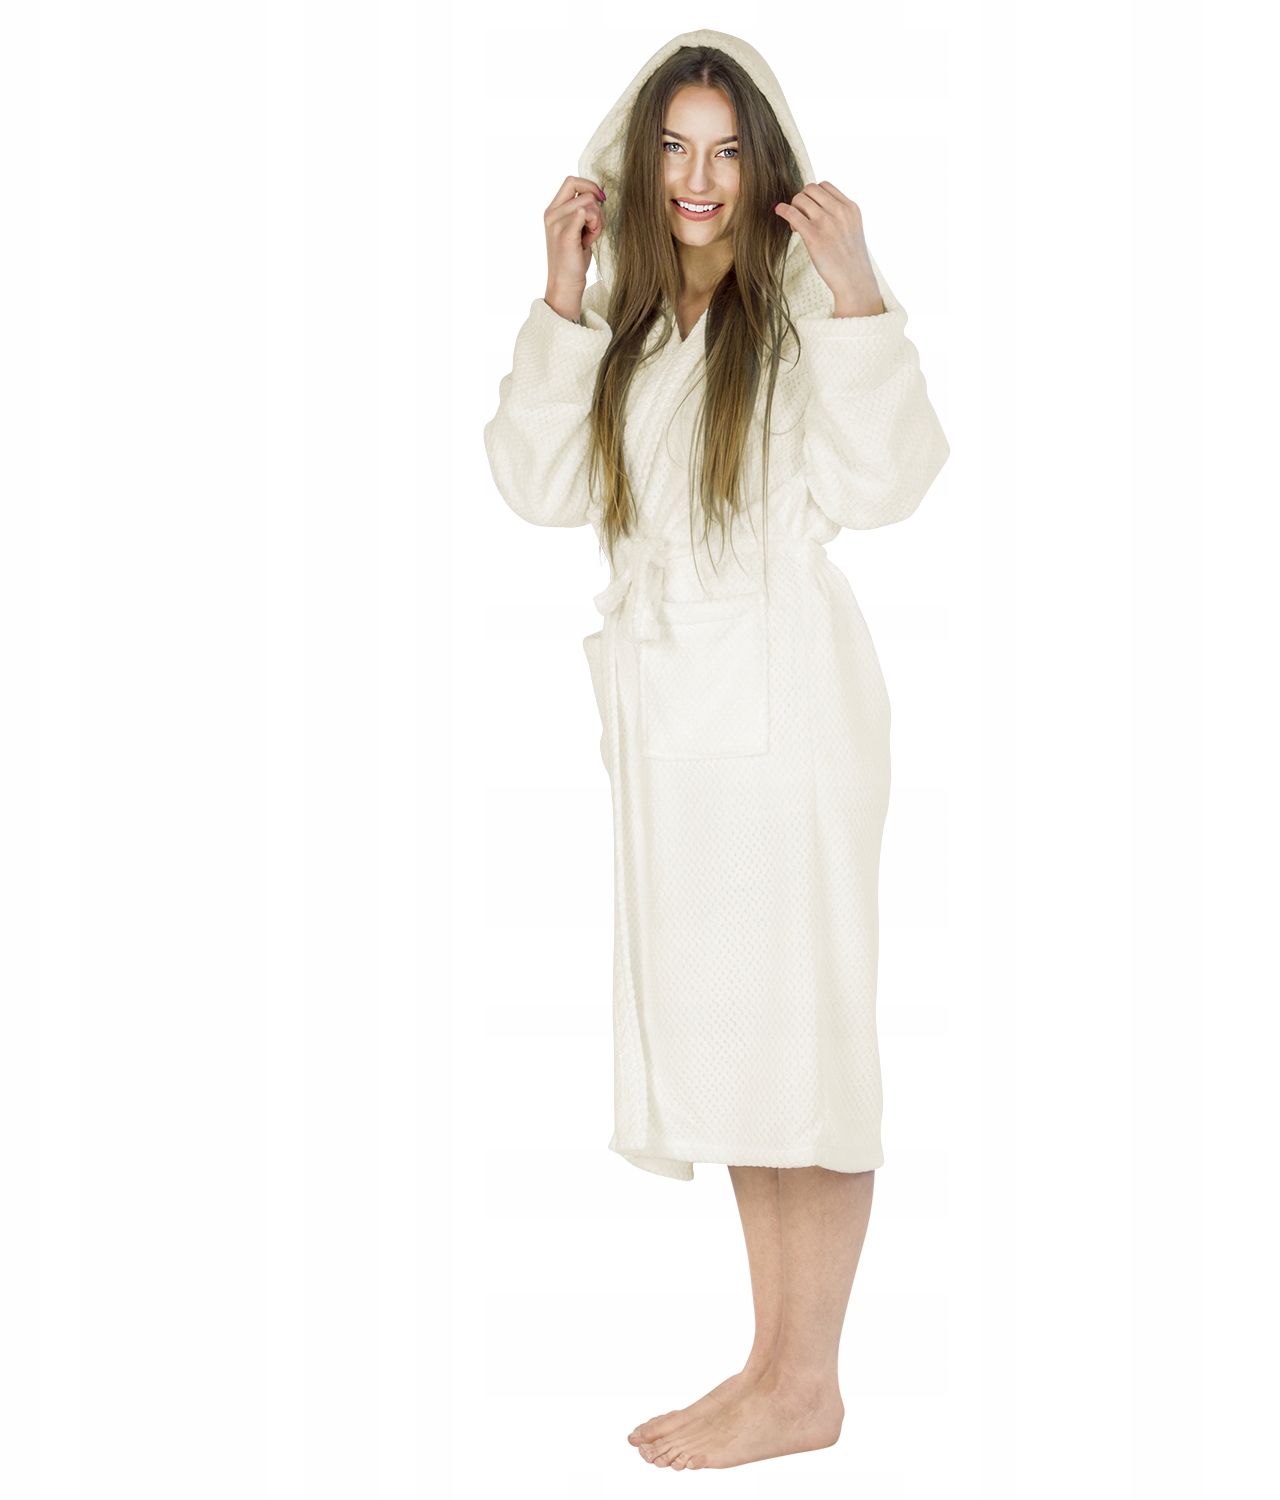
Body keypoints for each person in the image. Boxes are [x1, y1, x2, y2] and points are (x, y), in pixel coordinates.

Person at [482, 30, 950, 1471]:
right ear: (643, 163)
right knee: (746, 1043)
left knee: (808, 1034)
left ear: (764, 166)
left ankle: (806, 1379)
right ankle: (775, 1365)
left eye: (728, 150)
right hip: (682, 733)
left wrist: (859, 290)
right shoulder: (635, 335)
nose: (699, 177)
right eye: (677, 148)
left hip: (787, 720)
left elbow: (890, 481)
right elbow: (538, 486)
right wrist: (560, 296)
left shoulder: (797, 312)